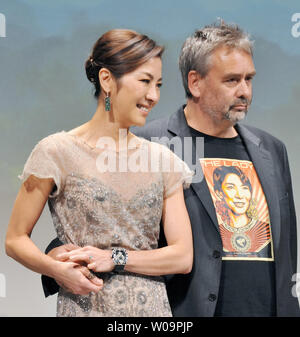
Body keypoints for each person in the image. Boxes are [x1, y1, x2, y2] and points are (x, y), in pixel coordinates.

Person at [43, 20, 300, 317]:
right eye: (232, 80)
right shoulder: (147, 143)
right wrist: (55, 254)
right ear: (195, 83)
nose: (245, 91)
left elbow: (287, 251)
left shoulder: (270, 149)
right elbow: (93, 216)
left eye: (249, 79)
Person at [5, 29, 194, 317]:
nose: (153, 96)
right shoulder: (55, 151)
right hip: (84, 306)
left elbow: (182, 257)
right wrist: (57, 269)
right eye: (144, 81)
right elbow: (15, 239)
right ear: (107, 79)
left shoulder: (164, 161)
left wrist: (115, 258)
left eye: (158, 84)